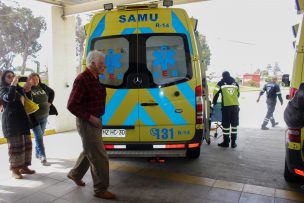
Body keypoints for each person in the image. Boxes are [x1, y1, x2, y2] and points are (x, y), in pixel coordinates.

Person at [67, 50, 115, 199]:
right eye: (101, 64)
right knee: (100, 156)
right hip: (87, 122)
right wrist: (90, 118)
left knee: (90, 150)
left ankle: (75, 174)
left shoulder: (95, 78)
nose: (104, 67)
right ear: (92, 63)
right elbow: (72, 105)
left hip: (95, 120)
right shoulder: (82, 79)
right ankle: (100, 190)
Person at [0, 70, 35, 179]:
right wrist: (13, 84)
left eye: (12, 76)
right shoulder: (2, 89)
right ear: (4, 79)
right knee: (15, 147)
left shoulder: (18, 88)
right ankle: (14, 170)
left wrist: (28, 89)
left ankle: (24, 167)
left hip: (22, 119)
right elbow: (9, 98)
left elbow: (26, 98)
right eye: (8, 77)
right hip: (11, 122)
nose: (11, 78)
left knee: (26, 144)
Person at [26, 73, 57, 166]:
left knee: (39, 136)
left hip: (44, 116)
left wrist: (50, 102)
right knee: (39, 137)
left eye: (37, 79)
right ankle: (43, 157)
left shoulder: (42, 86)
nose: (36, 81)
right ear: (29, 80)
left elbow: (52, 92)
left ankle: (37, 153)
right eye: (33, 79)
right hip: (34, 118)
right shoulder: (28, 90)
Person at [213, 71, 240, 148]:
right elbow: (238, 94)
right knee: (234, 125)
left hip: (226, 107)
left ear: (223, 76)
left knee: (226, 125)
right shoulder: (236, 83)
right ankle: (233, 143)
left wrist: (214, 103)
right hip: (235, 106)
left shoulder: (220, 83)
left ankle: (226, 142)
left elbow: (215, 93)